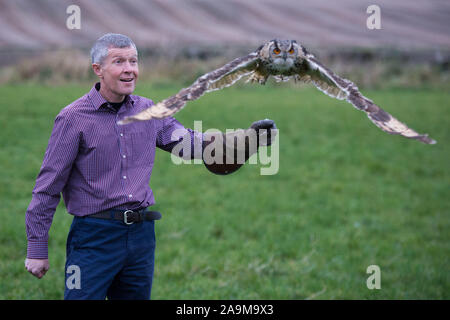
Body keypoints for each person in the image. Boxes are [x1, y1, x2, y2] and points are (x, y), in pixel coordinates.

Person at [24, 33, 277, 300]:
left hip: (141, 236)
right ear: (97, 69)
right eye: (119, 61)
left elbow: (189, 143)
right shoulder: (73, 118)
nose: (129, 69)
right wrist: (37, 248)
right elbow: (47, 187)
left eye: (133, 61)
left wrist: (244, 142)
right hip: (93, 238)